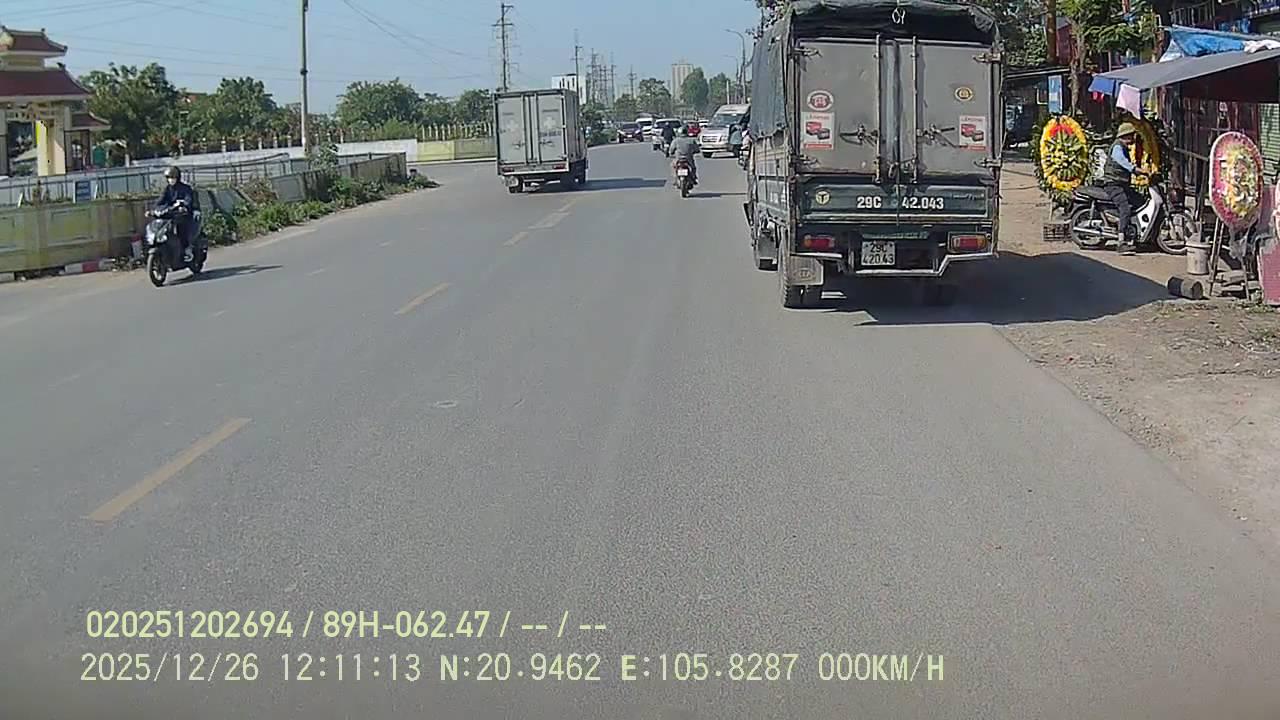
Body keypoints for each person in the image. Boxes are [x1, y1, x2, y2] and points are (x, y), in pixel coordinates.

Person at [1100, 122, 1146, 256]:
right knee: (1125, 208)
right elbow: (1122, 162)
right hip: (1113, 184)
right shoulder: (1117, 147)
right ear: (1126, 136)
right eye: (1132, 135)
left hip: (1122, 184)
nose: (1133, 138)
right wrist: (1135, 169)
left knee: (1140, 201)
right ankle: (1121, 242)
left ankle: (1134, 233)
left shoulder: (1124, 147)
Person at [155, 165, 199, 262]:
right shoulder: (167, 189)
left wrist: (183, 206)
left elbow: (188, 200)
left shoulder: (185, 188)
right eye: (169, 178)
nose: (171, 180)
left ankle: (187, 249)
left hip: (183, 215)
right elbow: (160, 202)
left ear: (178, 178)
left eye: (173, 177)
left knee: (182, 229)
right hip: (170, 215)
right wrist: (156, 209)